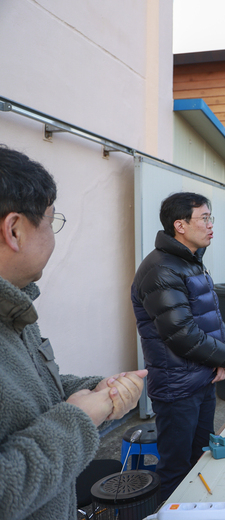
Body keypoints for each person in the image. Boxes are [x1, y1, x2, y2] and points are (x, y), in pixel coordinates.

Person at [0, 146, 146, 520]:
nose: (54, 232)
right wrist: (79, 418)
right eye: (51, 220)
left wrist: (104, 391)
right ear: (14, 230)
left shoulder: (14, 309)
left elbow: (33, 395)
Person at [131, 192, 225, 500]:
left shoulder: (190, 262)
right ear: (180, 225)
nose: (210, 225)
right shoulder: (161, 269)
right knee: (176, 471)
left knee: (203, 457)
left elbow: (212, 316)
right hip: (177, 388)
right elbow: (180, 332)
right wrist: (224, 358)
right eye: (203, 218)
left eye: (210, 217)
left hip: (201, 378)